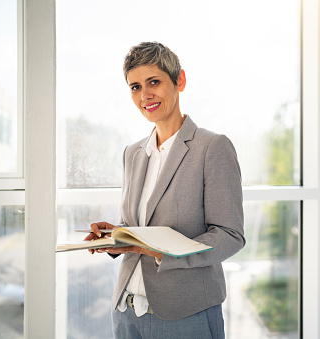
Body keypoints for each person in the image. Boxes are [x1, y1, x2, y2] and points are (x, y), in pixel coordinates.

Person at [84, 41, 245, 339]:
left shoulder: (212, 147)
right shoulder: (133, 153)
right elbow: (142, 228)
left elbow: (230, 236)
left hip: (185, 314)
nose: (145, 95)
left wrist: (159, 252)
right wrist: (116, 235)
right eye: (135, 87)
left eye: (154, 82)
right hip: (126, 311)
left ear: (179, 80)